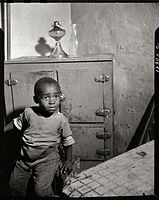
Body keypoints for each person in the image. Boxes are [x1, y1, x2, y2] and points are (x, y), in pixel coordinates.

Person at [4, 77, 75, 197]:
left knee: (41, 191)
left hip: (47, 161)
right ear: (36, 99)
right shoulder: (29, 113)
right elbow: (15, 124)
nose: (52, 101)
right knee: (14, 186)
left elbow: (68, 141)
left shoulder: (61, 120)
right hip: (24, 160)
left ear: (60, 97)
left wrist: (68, 160)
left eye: (56, 96)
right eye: (46, 97)